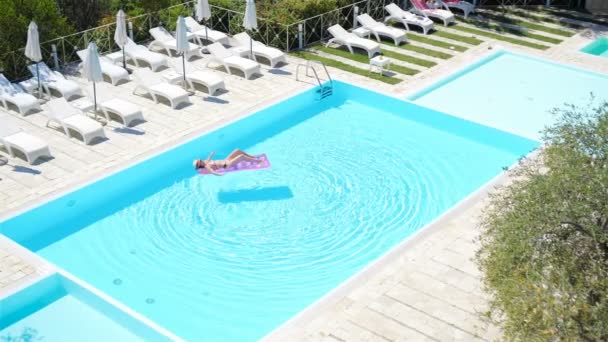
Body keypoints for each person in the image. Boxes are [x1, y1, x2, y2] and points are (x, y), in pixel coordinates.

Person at [193, 149, 260, 176]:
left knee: (237, 150)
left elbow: (208, 159)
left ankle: (251, 157)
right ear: (199, 165)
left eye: (200, 160)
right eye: (199, 161)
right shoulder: (207, 167)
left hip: (226, 160)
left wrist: (211, 154)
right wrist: (220, 174)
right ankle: (257, 161)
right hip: (227, 165)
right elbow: (212, 172)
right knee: (241, 156)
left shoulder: (205, 162)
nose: (201, 160)